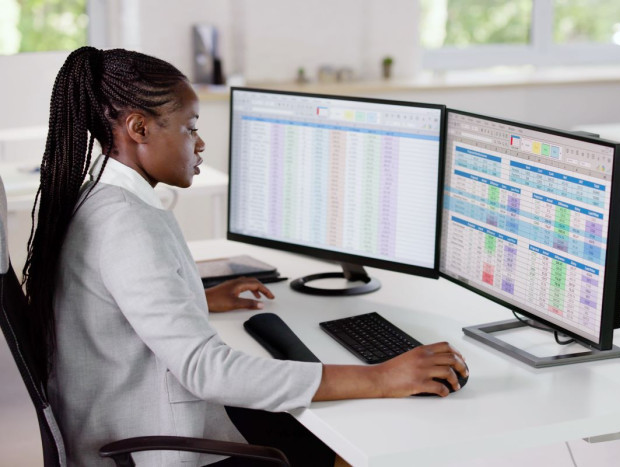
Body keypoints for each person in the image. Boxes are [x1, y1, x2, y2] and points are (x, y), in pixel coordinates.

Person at [23, 47, 468, 467]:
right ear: (139, 129)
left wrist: (199, 297)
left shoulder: (96, 196)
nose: (199, 144)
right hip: (152, 447)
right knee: (360, 437)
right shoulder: (128, 222)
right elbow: (205, 370)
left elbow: (115, 298)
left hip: (119, 426)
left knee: (319, 416)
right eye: (190, 127)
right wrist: (382, 378)